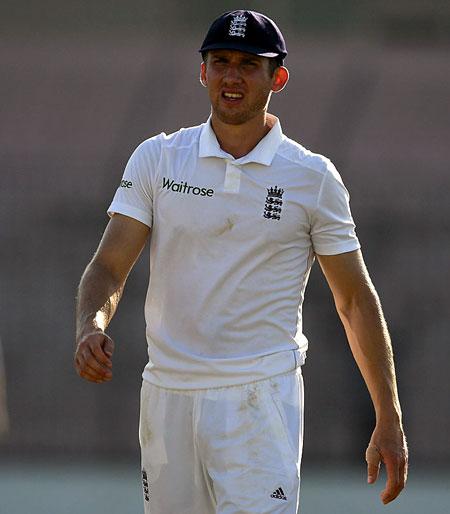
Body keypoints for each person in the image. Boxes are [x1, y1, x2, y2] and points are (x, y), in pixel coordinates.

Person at [74, 9, 408, 514]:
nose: (232, 76)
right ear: (202, 71)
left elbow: (355, 300)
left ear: (278, 77)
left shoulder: (311, 176)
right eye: (221, 61)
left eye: (250, 65)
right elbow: (107, 266)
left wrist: (389, 416)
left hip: (260, 402)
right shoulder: (159, 158)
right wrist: (89, 324)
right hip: (168, 394)